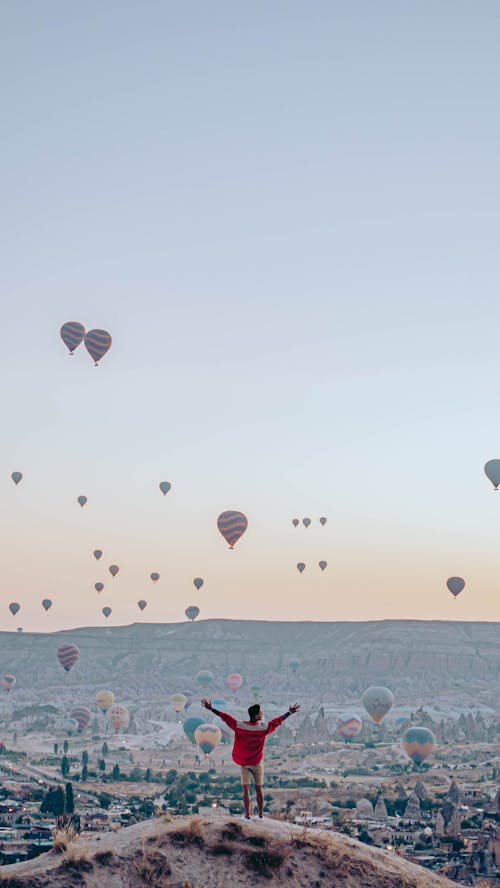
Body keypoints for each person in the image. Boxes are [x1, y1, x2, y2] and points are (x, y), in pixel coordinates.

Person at [201, 697, 300, 819]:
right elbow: (277, 721)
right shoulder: (263, 728)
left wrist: (211, 708)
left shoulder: (240, 726)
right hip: (257, 763)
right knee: (259, 789)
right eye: (261, 712)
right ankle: (260, 814)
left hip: (244, 763)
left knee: (246, 790)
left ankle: (247, 815)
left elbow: (225, 717)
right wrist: (289, 712)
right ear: (257, 715)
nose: (262, 714)